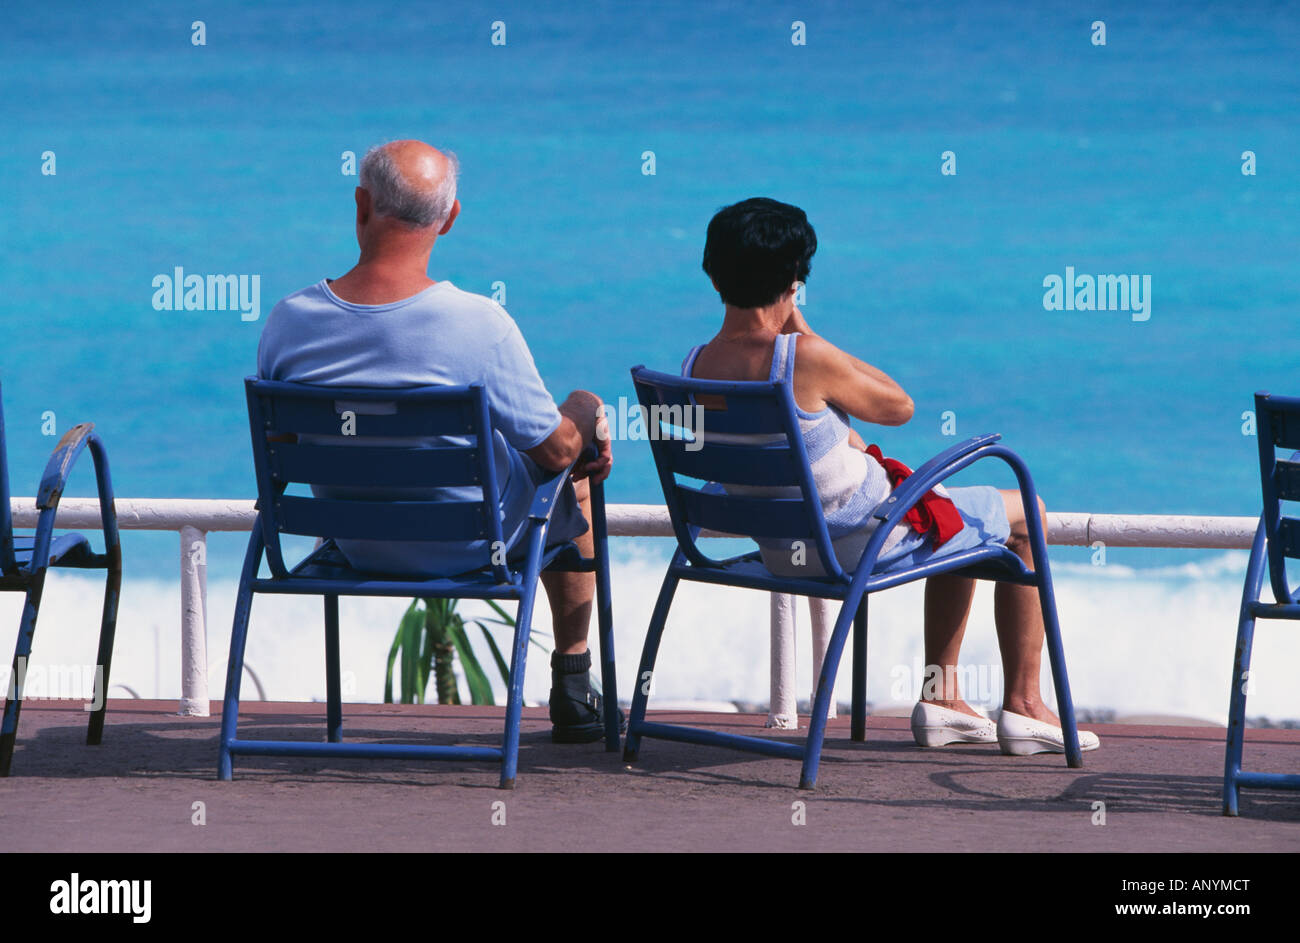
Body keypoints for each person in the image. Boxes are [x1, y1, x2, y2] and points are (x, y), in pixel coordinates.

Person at [684, 197, 1098, 755]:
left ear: (714, 273)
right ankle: (1023, 705)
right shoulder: (802, 357)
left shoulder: (694, 368)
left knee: (958, 514)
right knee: (1025, 511)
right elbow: (900, 406)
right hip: (855, 544)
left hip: (782, 547)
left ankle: (944, 699)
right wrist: (809, 334)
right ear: (794, 280)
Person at [257, 139, 616, 743]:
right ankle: (574, 682)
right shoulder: (479, 324)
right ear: (449, 219)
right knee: (574, 474)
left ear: (361, 206)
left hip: (353, 543)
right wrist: (585, 406)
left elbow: (281, 445)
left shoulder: (289, 321)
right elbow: (555, 453)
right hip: (472, 549)